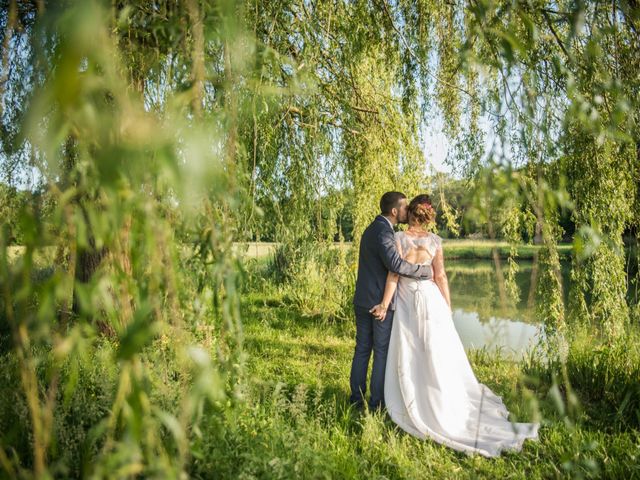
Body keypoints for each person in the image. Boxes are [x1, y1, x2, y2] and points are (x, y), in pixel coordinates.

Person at [374, 194, 539, 457]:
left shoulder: (399, 239)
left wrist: (384, 303)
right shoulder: (435, 242)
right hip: (430, 299)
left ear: (411, 214)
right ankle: (439, 396)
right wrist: (447, 307)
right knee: (436, 351)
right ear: (427, 216)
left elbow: (394, 275)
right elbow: (440, 276)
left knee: (411, 347)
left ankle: (411, 400)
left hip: (406, 301)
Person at [350, 192, 433, 411]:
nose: (407, 211)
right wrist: (423, 272)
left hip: (362, 298)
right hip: (378, 303)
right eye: (405, 208)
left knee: (362, 349)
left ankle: (356, 400)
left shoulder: (372, 228)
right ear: (395, 211)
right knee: (380, 352)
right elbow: (395, 265)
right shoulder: (384, 232)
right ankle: (376, 403)